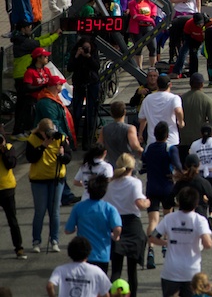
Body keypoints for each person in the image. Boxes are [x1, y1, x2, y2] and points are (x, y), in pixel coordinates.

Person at [150, 187, 212, 297]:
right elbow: (208, 244)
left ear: (178, 202)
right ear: (196, 203)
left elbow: (152, 237)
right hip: (191, 272)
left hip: (170, 271)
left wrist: (167, 243)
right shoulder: (199, 220)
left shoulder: (169, 218)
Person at [27, 117, 73, 253]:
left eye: (50, 132)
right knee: (40, 211)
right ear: (40, 131)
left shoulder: (60, 139)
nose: (49, 135)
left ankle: (54, 240)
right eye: (45, 132)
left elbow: (68, 158)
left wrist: (62, 155)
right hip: (39, 180)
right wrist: (43, 146)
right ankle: (36, 241)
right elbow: (31, 158)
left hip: (56, 179)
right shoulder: (32, 139)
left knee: (54, 211)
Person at [107, 155, 149, 297]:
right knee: (132, 270)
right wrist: (147, 202)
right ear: (132, 168)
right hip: (132, 224)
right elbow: (139, 203)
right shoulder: (134, 183)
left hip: (115, 223)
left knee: (116, 269)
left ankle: (113, 294)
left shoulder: (110, 184)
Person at [141, 120, 181, 269]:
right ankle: (166, 246)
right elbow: (178, 165)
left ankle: (150, 249)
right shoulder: (170, 148)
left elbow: (144, 162)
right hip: (167, 187)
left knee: (153, 220)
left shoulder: (149, 148)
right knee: (168, 218)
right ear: (167, 135)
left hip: (151, 186)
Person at [63, 175, 122, 274]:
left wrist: (77, 228)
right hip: (102, 255)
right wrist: (115, 237)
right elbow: (117, 228)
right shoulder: (109, 208)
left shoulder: (78, 207)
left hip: (83, 254)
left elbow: (68, 230)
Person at [46, 237, 111, 297]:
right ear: (88, 252)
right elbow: (105, 294)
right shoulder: (96, 271)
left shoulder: (60, 269)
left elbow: (49, 286)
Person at [138, 74, 185, 148]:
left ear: (157, 85)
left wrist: (140, 134)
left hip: (152, 140)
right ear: (170, 85)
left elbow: (142, 119)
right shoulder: (174, 98)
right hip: (171, 140)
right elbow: (178, 111)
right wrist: (181, 122)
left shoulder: (147, 99)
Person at [0, 132, 25, 260]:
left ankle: (19, 247)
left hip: (7, 188)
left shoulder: (9, 148)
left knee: (12, 220)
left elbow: (11, 164)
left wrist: (3, 149)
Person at [180, 73, 212, 156]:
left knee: (184, 166)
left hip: (183, 139)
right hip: (199, 140)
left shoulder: (181, 99)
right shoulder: (208, 100)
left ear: (190, 83)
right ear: (202, 84)